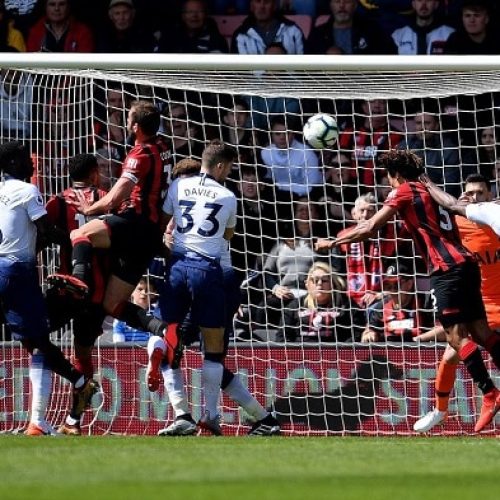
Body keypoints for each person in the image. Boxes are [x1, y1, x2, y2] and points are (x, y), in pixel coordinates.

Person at [315, 149, 500, 432]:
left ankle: (490, 393)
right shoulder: (429, 188)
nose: (389, 184)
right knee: (482, 333)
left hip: (446, 269)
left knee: (456, 338)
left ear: (396, 175)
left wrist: (333, 242)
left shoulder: (403, 190)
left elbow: (370, 227)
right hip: (467, 264)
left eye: (389, 178)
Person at [150, 157, 280, 436]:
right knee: (210, 356)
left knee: (173, 345)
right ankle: (232, 417)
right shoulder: (219, 201)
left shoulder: (180, 219)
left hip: (201, 277)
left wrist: (167, 245)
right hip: (219, 279)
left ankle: (195, 415)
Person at [47, 101, 179, 366]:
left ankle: (79, 279)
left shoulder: (138, 155)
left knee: (80, 234)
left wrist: (89, 207)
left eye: (129, 119)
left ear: (136, 126)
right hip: (149, 236)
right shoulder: (164, 147)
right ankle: (164, 330)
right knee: (112, 304)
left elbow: (114, 199)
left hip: (133, 224)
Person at [0, 141, 98, 436]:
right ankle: (77, 386)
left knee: (32, 344)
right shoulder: (28, 191)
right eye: (27, 160)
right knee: (39, 340)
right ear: (16, 164)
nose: (33, 164)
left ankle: (45, 414)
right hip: (17, 272)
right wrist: (75, 239)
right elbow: (46, 230)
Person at [148, 139, 240, 434]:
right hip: (207, 270)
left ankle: (180, 412)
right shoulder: (227, 196)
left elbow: (163, 221)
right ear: (222, 166)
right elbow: (227, 236)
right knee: (213, 349)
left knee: (164, 329)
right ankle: (210, 415)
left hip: (176, 266)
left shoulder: (177, 187)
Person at [414, 173, 500, 432]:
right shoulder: (455, 224)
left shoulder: (493, 217)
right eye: (470, 193)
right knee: (451, 354)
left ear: (489, 195)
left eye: (480, 193)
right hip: (477, 302)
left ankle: (488, 397)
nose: (474, 197)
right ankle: (440, 410)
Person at [43, 153, 109, 435]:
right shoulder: (106, 198)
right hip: (96, 291)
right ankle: (73, 421)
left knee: (36, 336)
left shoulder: (57, 202)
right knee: (83, 351)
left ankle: (44, 415)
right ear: (95, 173)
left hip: (66, 288)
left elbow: (41, 233)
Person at [334, 192, 397, 310]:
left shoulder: (389, 238)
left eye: (371, 211)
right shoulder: (343, 238)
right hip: (349, 299)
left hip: (381, 297)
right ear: (354, 214)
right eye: (362, 210)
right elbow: (337, 272)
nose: (366, 215)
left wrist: (378, 295)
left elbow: (395, 272)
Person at [281, 261, 359, 342]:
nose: (319, 283)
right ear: (307, 284)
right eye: (315, 280)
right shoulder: (295, 306)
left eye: (324, 280)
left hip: (335, 352)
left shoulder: (345, 306)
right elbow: (283, 337)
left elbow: (357, 334)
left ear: (332, 284)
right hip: (302, 353)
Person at [361, 261, 436, 343]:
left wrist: (417, 340)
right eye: (388, 286)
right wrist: (369, 334)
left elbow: (444, 330)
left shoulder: (426, 302)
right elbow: (369, 330)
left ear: (409, 284)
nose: (392, 291)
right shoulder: (382, 307)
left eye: (396, 285)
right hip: (391, 353)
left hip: (421, 351)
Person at [397, 109, 461, 196]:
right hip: (408, 195)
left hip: (438, 198)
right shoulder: (405, 145)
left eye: (427, 123)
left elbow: (449, 185)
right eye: (418, 123)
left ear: (436, 125)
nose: (422, 127)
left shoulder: (448, 149)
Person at [261, 115, 322, 199]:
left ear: (293, 134)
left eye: (286, 133)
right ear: (271, 135)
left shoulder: (307, 154)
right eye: (277, 134)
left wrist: (279, 186)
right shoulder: (265, 153)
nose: (282, 137)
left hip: (305, 199)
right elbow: (265, 182)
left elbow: (312, 187)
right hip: (275, 198)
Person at [305, 0, 397, 55]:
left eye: (347, 1)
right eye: (337, 1)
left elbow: (389, 58)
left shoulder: (372, 31)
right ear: (330, 5)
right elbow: (306, 69)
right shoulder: (318, 34)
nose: (341, 5)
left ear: (355, 5)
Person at [231, 0, 305, 54]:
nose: (262, 6)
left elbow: (305, 68)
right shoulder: (240, 36)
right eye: (258, 1)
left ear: (274, 6)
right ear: (251, 6)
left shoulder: (294, 32)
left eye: (266, 2)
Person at [158, 0, 229, 53]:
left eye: (199, 11)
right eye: (190, 12)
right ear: (183, 16)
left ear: (205, 15)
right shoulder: (169, 38)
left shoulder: (217, 40)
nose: (194, 15)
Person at [26, 0, 94, 52]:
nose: (57, 8)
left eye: (61, 4)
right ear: (45, 7)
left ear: (68, 7)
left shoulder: (82, 31)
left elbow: (85, 64)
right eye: (52, 4)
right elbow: (31, 62)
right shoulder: (35, 31)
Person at [113, 277, 159, 343]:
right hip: (127, 352)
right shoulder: (121, 315)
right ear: (131, 290)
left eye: (148, 290)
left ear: (154, 293)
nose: (143, 293)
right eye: (140, 289)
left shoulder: (157, 314)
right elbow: (119, 345)